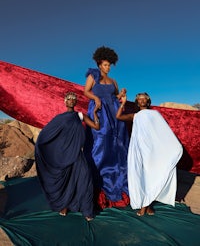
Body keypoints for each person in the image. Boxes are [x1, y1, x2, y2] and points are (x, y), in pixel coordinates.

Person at [35, 92, 100, 221]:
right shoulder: (59, 118)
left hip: (77, 154)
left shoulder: (80, 116)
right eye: (69, 99)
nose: (71, 100)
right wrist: (40, 145)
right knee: (66, 180)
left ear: (76, 102)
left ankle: (87, 210)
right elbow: (46, 133)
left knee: (85, 178)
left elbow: (96, 127)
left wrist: (95, 113)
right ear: (65, 102)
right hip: (63, 155)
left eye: (74, 99)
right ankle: (64, 206)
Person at [116, 92, 183, 216]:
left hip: (152, 151)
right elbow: (118, 116)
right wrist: (123, 103)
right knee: (141, 176)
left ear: (148, 101)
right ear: (137, 102)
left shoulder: (155, 114)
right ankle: (145, 205)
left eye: (144, 99)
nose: (142, 101)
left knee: (151, 176)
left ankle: (146, 206)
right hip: (139, 149)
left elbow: (162, 131)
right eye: (139, 99)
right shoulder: (135, 116)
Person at [84, 45, 130, 206]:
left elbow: (115, 97)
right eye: (105, 64)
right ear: (99, 64)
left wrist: (121, 95)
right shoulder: (93, 75)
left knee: (117, 145)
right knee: (100, 144)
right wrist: (96, 99)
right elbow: (86, 91)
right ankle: (98, 182)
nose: (108, 67)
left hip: (114, 113)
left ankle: (117, 180)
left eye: (109, 65)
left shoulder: (113, 81)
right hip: (100, 112)